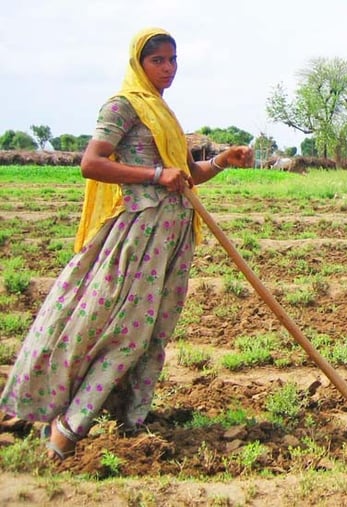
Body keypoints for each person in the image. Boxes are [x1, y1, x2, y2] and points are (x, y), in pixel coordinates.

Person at [0, 28, 253, 460]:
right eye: (159, 61)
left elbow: (186, 175)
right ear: (140, 63)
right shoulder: (123, 106)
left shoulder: (163, 112)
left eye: (174, 60)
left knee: (155, 332)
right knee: (127, 330)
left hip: (174, 238)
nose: (168, 68)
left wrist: (220, 162)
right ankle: (67, 426)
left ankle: (130, 422)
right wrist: (155, 177)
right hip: (141, 235)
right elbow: (91, 163)